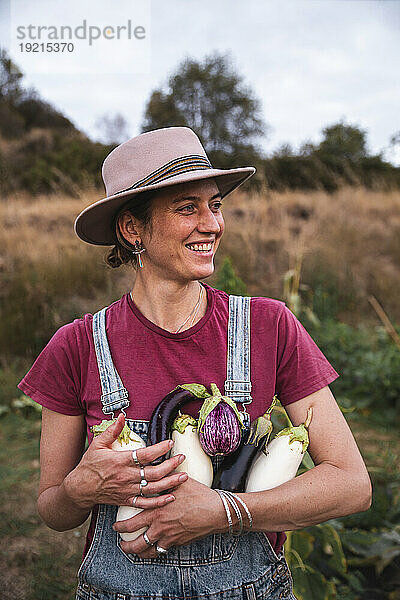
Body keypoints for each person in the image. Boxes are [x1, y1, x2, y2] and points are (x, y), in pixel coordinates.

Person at [18, 126, 372, 600]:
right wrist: (79, 490)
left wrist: (225, 510)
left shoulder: (269, 326)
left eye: (215, 205)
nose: (213, 224)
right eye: (188, 208)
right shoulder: (75, 346)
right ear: (132, 229)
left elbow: (352, 484)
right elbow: (53, 511)